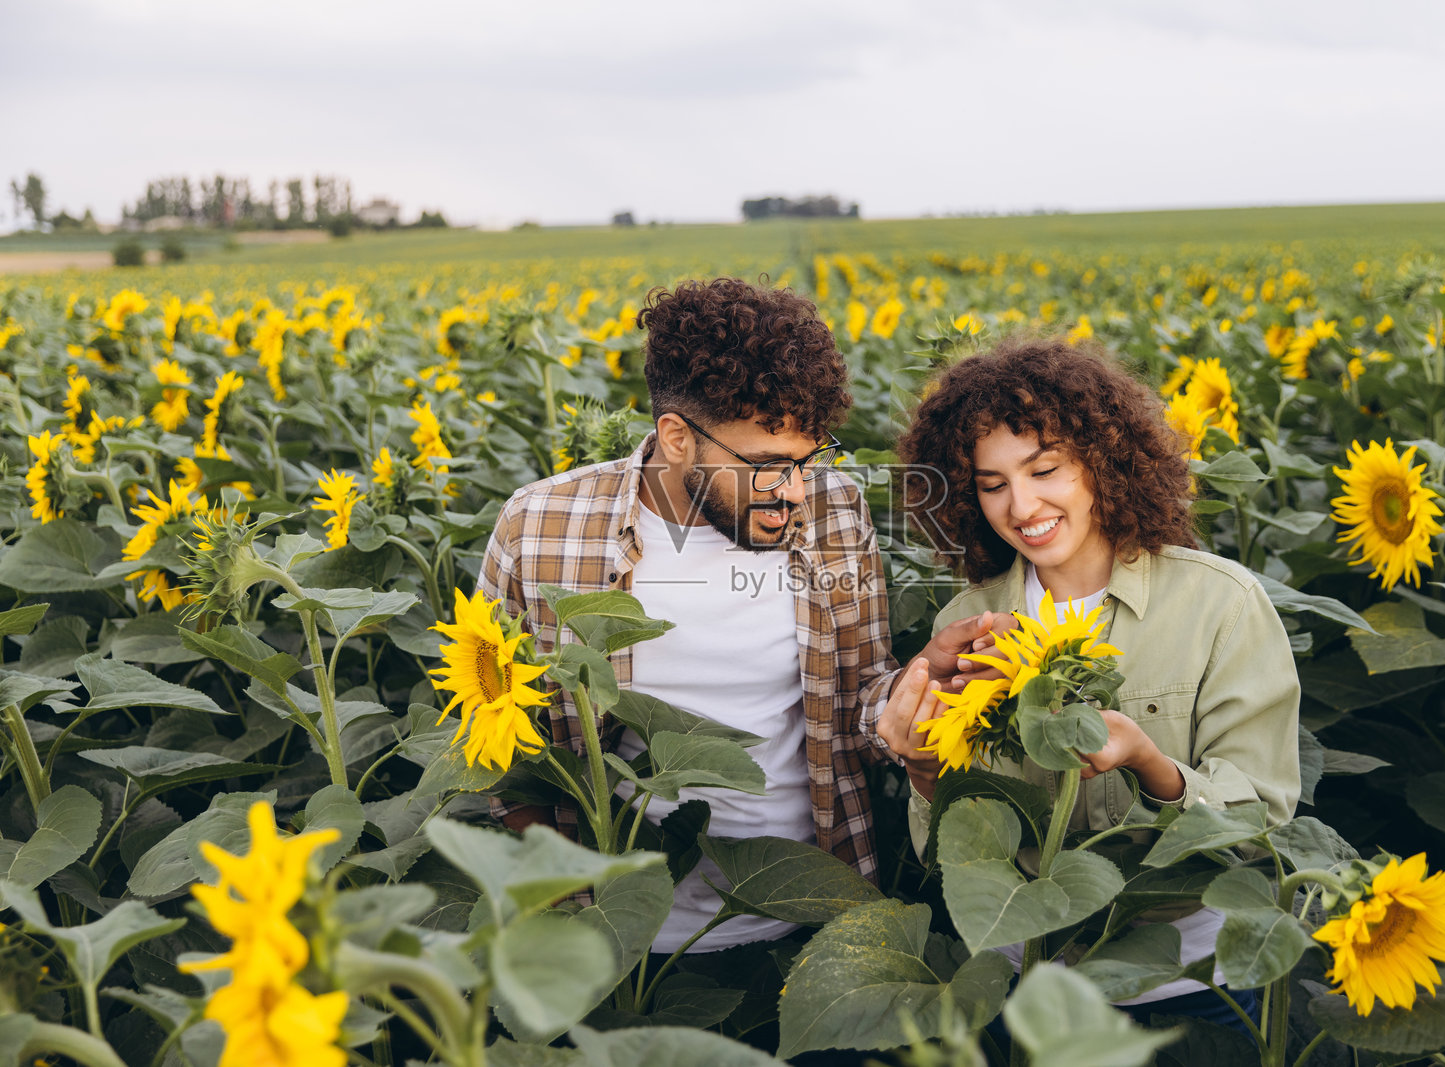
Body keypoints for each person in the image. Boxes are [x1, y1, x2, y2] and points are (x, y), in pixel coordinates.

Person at [475, 277, 990, 958]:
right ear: (677, 437)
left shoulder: (835, 510)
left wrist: (916, 685)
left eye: (809, 460)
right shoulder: (540, 527)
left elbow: (858, 697)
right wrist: (562, 906)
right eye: (769, 466)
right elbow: (505, 744)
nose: (796, 491)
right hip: (613, 938)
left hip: (807, 916)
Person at [870, 334, 1301, 1030]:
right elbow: (954, 853)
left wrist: (1149, 763)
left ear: (1103, 459)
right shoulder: (966, 624)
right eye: (992, 484)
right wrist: (922, 768)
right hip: (1025, 979)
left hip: (1185, 983)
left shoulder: (1219, 604)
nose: (1021, 505)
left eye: (1045, 469)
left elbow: (1261, 826)